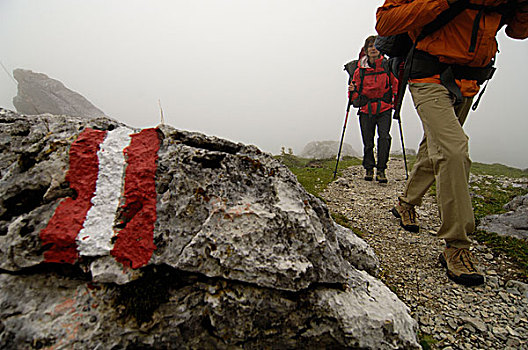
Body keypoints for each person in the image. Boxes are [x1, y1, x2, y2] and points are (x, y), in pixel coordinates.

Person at [376, 0, 528, 286]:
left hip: (469, 82)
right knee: (453, 151)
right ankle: (457, 246)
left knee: (434, 149)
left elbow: (518, 32)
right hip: (427, 76)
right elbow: (385, 22)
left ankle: (406, 203)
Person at [348, 36, 398, 183]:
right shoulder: (359, 71)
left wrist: (395, 103)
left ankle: (381, 169)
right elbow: (355, 92)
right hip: (366, 109)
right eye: (370, 46)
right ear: (365, 50)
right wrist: (352, 91)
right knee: (368, 141)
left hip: (384, 108)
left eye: (375, 46)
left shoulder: (387, 66)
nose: (373, 48)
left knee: (384, 138)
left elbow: (395, 85)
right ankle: (369, 168)